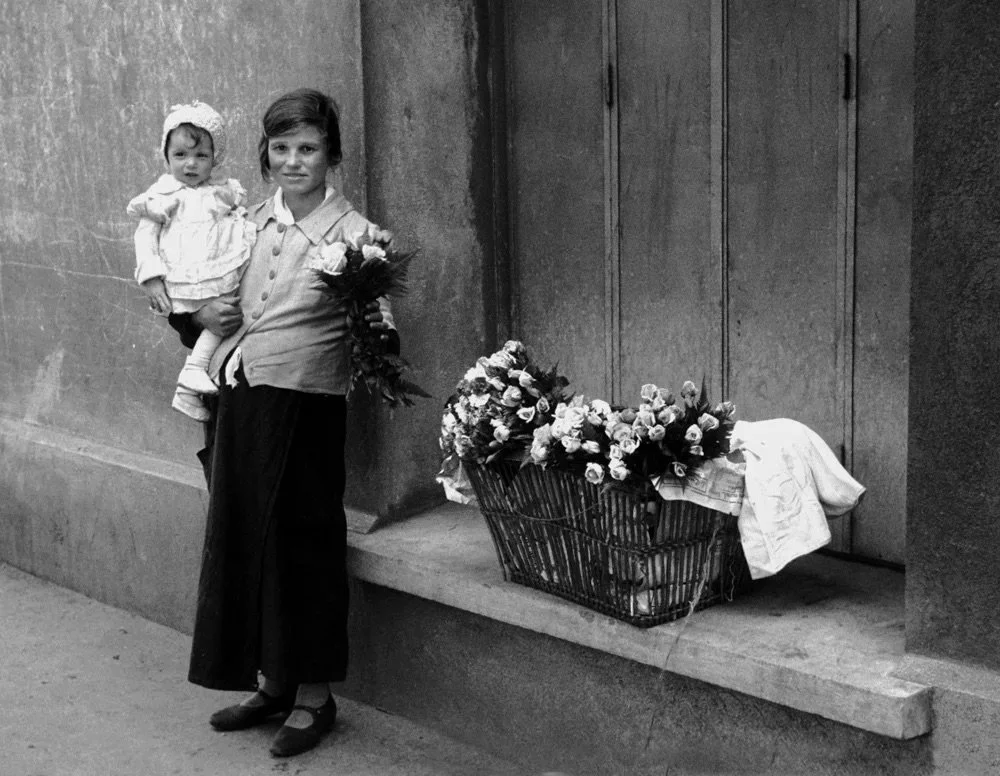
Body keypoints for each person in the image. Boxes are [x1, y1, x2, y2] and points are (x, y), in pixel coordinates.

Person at [169, 88, 399, 758]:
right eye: (281, 148)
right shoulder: (245, 224)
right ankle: (272, 683)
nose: (293, 161)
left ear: (332, 155)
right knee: (246, 540)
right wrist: (197, 317)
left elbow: (382, 339)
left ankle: (314, 697)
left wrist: (370, 320)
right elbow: (200, 291)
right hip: (239, 399)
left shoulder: (359, 237)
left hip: (305, 408)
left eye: (308, 148)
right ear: (265, 155)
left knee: (302, 544)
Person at [127, 101, 256, 421]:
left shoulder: (220, 189)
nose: (190, 164)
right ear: (167, 156)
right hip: (186, 276)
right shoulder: (163, 195)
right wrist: (151, 278)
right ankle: (193, 373)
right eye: (180, 155)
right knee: (220, 317)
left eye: (201, 156)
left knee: (228, 314)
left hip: (216, 269)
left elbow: (236, 214)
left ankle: (189, 384)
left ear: (215, 158)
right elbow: (145, 237)